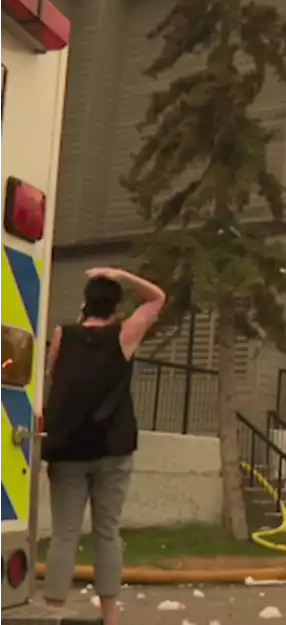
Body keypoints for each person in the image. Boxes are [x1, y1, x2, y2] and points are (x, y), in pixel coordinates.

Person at [41, 267, 165, 625]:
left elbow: (53, 376)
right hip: (113, 448)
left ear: (85, 303)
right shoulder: (124, 335)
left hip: (67, 450)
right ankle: (109, 616)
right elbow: (158, 297)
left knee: (64, 534)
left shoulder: (64, 334)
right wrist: (122, 274)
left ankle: (52, 611)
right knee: (107, 532)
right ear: (115, 307)